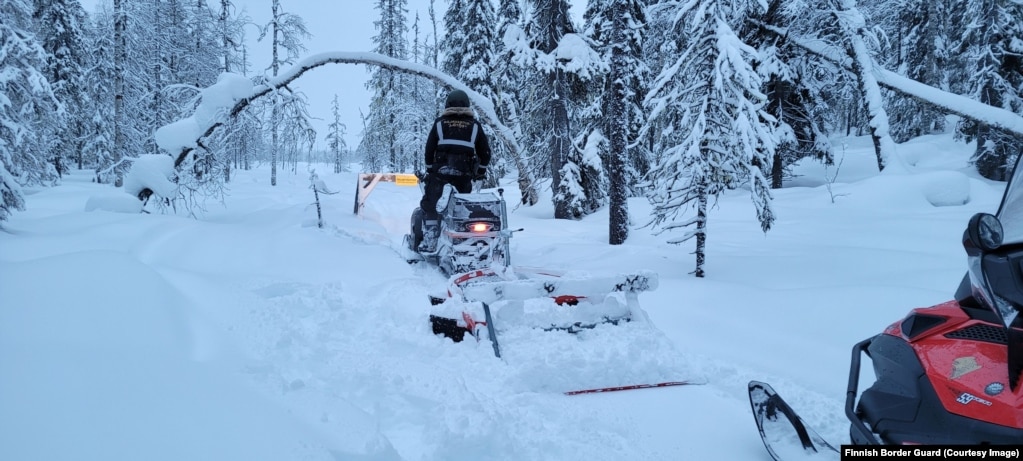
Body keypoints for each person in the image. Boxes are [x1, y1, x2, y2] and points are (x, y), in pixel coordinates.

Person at [417, 89, 491, 251]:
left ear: (448, 104)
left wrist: (430, 170)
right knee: (461, 207)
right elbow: (485, 153)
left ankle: (430, 236)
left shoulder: (439, 124)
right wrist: (480, 173)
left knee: (431, 203)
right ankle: (464, 239)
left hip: (440, 175)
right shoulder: (474, 126)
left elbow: (429, 150)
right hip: (463, 176)